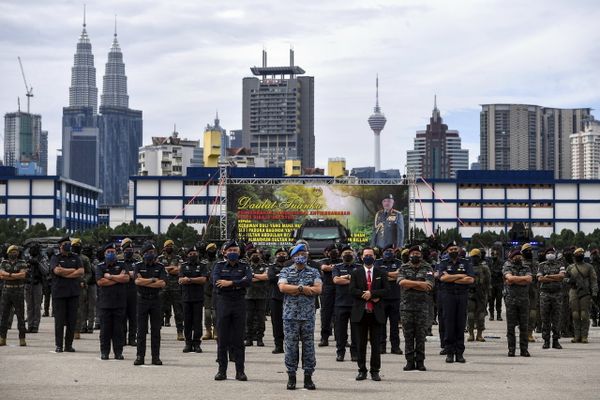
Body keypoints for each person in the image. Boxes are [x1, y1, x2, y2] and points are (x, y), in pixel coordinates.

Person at [278, 243, 322, 390]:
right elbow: (282, 287)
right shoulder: (285, 271)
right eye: (298, 254)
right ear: (292, 257)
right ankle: (291, 376)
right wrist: (304, 288)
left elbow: (318, 289)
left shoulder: (314, 272)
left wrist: (295, 289)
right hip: (290, 316)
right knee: (290, 346)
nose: (301, 256)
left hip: (308, 316)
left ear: (307, 255)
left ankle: (308, 377)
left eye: (303, 254)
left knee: (309, 346)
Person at [212, 240, 252, 381]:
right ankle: (221, 371)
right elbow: (217, 283)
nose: (232, 253)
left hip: (239, 303)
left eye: (235, 250)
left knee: (239, 339)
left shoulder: (245, 266)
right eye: (230, 250)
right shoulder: (218, 266)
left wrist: (230, 283)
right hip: (224, 302)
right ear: (224, 252)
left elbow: (248, 281)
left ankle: (240, 371)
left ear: (239, 252)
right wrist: (238, 283)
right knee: (222, 339)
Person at [349, 247, 389, 381]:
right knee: (361, 344)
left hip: (376, 314)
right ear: (361, 257)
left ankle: (375, 371)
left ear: (375, 257)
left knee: (376, 345)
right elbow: (352, 290)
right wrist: (365, 295)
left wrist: (372, 294)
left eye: (370, 255)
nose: (368, 257)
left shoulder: (381, 272)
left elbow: (386, 290)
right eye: (366, 255)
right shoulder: (356, 273)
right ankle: (362, 370)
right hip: (360, 313)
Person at [398, 245, 434, 371]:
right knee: (408, 336)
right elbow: (401, 283)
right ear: (409, 255)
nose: (415, 256)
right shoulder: (403, 267)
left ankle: (420, 361)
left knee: (420, 336)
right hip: (406, 307)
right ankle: (409, 361)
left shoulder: (428, 268)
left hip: (422, 307)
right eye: (413, 254)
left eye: (417, 254)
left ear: (421, 255)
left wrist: (410, 284)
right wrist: (420, 283)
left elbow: (429, 286)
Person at [437, 241, 474, 363]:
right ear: (447, 251)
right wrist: (461, 276)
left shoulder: (466, 262)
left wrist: (451, 278)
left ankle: (459, 353)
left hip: (462, 296)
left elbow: (470, 279)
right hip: (448, 296)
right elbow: (443, 278)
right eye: (451, 249)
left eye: (455, 249)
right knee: (449, 324)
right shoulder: (443, 263)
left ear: (459, 250)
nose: (453, 251)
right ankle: (449, 352)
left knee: (460, 324)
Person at [134, 243, 167, 366]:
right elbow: (137, 282)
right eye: (148, 252)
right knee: (141, 330)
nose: (150, 254)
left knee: (156, 330)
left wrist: (145, 281)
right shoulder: (138, 266)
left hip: (155, 300)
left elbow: (162, 283)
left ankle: (155, 357)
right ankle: (140, 356)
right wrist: (153, 280)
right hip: (142, 300)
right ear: (143, 254)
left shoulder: (160, 266)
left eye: (152, 252)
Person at [50, 237, 84, 353]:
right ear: (60, 246)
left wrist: (64, 272)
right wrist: (73, 270)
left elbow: (81, 271)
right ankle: (59, 345)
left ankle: (68, 345)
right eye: (66, 243)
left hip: (73, 293)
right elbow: (56, 271)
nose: (68, 245)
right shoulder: (55, 258)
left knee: (72, 321)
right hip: (59, 293)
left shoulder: (76, 257)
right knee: (59, 321)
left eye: (69, 243)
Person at [96, 243, 129, 360]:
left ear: (116, 253)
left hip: (119, 302)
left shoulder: (122, 264)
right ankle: (104, 352)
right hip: (105, 303)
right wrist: (118, 278)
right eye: (108, 252)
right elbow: (100, 282)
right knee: (105, 330)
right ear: (105, 254)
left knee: (118, 330)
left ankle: (118, 352)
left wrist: (110, 277)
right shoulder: (100, 266)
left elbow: (126, 278)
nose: (111, 254)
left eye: (113, 252)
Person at [332, 245, 360, 362]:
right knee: (340, 331)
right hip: (341, 304)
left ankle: (355, 353)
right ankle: (340, 353)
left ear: (354, 255)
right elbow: (336, 280)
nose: (347, 255)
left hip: (356, 304)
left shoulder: (359, 267)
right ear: (341, 255)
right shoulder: (337, 267)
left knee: (356, 331)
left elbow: (362, 281)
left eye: (350, 253)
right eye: (345, 253)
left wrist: (346, 278)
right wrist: (353, 280)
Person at [565, 248, 598, 343]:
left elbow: (593, 280)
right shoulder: (570, 267)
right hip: (574, 291)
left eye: (581, 253)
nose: (579, 255)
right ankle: (577, 336)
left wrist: (594, 292)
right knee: (575, 315)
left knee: (584, 315)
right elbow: (564, 278)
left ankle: (584, 336)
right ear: (574, 256)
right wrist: (569, 280)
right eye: (578, 254)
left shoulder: (589, 267)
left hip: (585, 292)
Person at [503, 249, 532, 357]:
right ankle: (511, 350)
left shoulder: (526, 267)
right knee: (511, 327)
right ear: (512, 258)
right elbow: (509, 278)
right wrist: (521, 280)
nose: (518, 258)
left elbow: (529, 279)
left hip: (524, 300)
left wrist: (514, 280)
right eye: (516, 256)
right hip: (511, 300)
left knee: (524, 327)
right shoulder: (507, 267)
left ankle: (524, 350)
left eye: (520, 256)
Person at [179, 246, 208, 353]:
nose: (193, 255)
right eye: (191, 254)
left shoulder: (202, 266)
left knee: (197, 322)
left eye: (195, 253)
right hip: (186, 298)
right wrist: (194, 280)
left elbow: (203, 279)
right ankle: (188, 343)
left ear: (198, 254)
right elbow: (181, 280)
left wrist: (190, 279)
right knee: (187, 321)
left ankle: (197, 343)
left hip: (198, 298)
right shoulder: (183, 266)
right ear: (187, 255)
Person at [375, 244, 403, 354]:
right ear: (383, 252)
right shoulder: (377, 262)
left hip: (395, 297)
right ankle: (382, 346)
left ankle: (395, 347)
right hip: (382, 298)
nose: (389, 252)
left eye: (391, 250)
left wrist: (384, 275)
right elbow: (377, 277)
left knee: (394, 325)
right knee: (381, 324)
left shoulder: (399, 262)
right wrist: (391, 276)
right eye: (387, 250)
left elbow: (399, 275)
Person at [537, 247, 565, 349]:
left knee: (557, 318)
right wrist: (555, 277)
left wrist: (548, 276)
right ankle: (546, 341)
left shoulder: (560, 264)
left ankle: (556, 341)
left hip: (557, 294)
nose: (550, 254)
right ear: (546, 254)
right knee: (545, 319)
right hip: (545, 294)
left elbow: (561, 276)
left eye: (552, 252)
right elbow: (540, 279)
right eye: (548, 252)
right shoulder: (541, 265)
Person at [0, 245, 28, 346]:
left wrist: (8, 275)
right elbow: (1, 275)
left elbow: (23, 275)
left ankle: (22, 339)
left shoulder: (22, 263)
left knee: (20, 316)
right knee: (4, 316)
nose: (14, 253)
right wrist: (15, 275)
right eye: (12, 252)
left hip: (18, 291)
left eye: (15, 252)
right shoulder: (4, 263)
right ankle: (2, 338)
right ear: (8, 253)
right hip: (6, 291)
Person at [158, 239, 184, 340]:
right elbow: (159, 271)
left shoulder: (178, 258)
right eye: (167, 246)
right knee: (159, 311)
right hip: (163, 288)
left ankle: (180, 332)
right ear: (164, 247)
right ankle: (157, 332)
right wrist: (172, 268)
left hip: (175, 288)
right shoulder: (159, 258)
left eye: (171, 246)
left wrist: (166, 269)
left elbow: (179, 270)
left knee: (178, 311)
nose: (169, 247)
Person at [245, 248, 269, 347]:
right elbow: (245, 278)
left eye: (257, 255)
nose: (255, 256)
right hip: (248, 296)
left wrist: (253, 275)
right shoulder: (246, 266)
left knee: (261, 318)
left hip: (261, 296)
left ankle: (260, 338)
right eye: (253, 255)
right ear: (249, 257)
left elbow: (266, 277)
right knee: (248, 318)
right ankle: (249, 338)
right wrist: (259, 277)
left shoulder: (265, 266)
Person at [317, 245, 340, 347]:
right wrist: (337, 268)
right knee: (326, 315)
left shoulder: (341, 260)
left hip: (339, 290)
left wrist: (332, 268)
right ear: (327, 252)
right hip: (327, 290)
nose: (334, 252)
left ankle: (340, 338)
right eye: (332, 251)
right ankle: (324, 338)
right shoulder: (324, 260)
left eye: (336, 250)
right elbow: (324, 268)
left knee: (339, 315)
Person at [467, 249, 491, 342]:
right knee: (470, 315)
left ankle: (479, 334)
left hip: (481, 294)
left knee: (481, 316)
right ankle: (471, 334)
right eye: (473, 257)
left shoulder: (484, 268)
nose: (475, 259)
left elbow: (488, 282)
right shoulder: (468, 267)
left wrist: (488, 294)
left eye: (476, 257)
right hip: (470, 294)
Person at [268, 247, 289, 354]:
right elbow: (271, 278)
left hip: (289, 297)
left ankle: (289, 346)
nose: (281, 255)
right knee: (277, 323)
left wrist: (280, 276)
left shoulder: (291, 266)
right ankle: (278, 345)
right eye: (279, 254)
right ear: (276, 256)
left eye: (283, 254)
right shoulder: (272, 267)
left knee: (290, 322)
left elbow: (293, 278)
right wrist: (285, 277)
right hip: (276, 298)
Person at [71, 238, 92, 339]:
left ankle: (78, 329)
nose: (76, 248)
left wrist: (84, 281)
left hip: (80, 285)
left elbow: (89, 272)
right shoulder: (69, 257)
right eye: (74, 246)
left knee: (80, 308)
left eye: (77, 246)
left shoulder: (84, 259)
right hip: (69, 285)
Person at [25, 243, 48, 333]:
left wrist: (38, 263)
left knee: (37, 306)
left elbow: (46, 271)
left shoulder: (42, 259)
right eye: (31, 248)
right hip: (28, 284)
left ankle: (35, 326)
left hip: (37, 284)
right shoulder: (27, 258)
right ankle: (30, 325)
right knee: (29, 306)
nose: (32, 250)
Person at [121, 238, 139, 346]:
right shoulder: (119, 262)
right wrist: (129, 274)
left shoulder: (136, 262)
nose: (129, 251)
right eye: (127, 250)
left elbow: (138, 275)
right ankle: (122, 338)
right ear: (123, 251)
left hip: (134, 292)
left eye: (130, 250)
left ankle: (132, 338)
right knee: (122, 317)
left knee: (133, 317)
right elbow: (119, 275)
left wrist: (126, 275)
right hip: (121, 292)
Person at [521, 243, 539, 342]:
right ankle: (523, 333)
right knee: (522, 314)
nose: (529, 252)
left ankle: (529, 333)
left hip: (533, 291)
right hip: (521, 292)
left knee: (532, 314)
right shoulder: (519, 263)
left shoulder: (536, 264)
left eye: (530, 250)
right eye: (527, 251)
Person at [202, 243, 219, 341]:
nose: (212, 251)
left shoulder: (219, 262)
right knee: (207, 313)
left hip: (216, 290)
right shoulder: (203, 263)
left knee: (215, 313)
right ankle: (208, 331)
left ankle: (216, 331)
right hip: (206, 290)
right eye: (210, 249)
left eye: (213, 249)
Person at [488, 248, 504, 321]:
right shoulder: (489, 262)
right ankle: (491, 315)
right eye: (492, 254)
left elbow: (501, 271)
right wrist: (495, 272)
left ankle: (499, 315)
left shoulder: (501, 262)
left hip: (499, 283)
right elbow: (488, 272)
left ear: (498, 255)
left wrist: (494, 272)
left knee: (499, 300)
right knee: (491, 300)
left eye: (495, 254)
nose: (494, 256)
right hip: (491, 283)